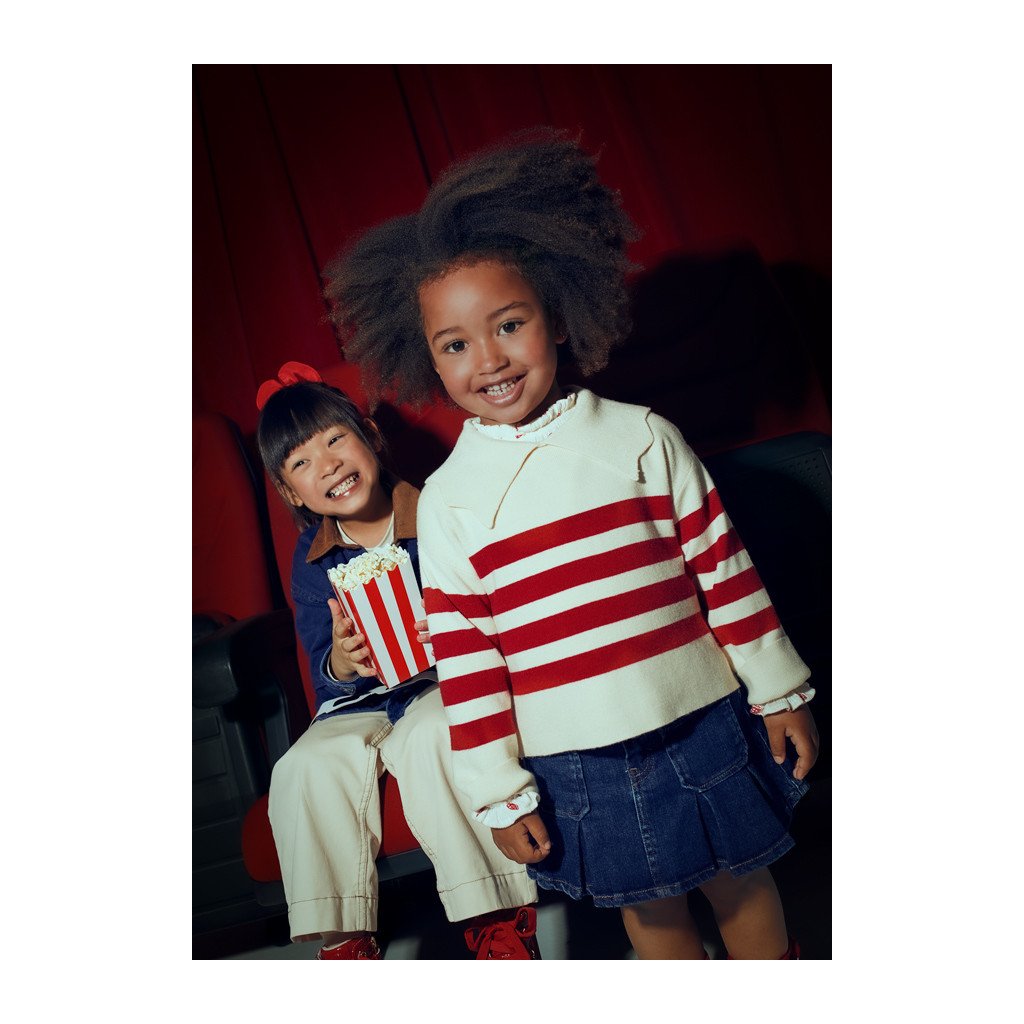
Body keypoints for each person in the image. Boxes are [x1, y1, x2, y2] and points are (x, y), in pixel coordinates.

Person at [322, 130, 821, 960]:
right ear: (428, 360)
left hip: (702, 719)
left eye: (509, 324)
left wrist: (780, 691)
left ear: (556, 315)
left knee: (745, 883)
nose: (489, 358)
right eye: (456, 344)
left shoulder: (642, 437)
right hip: (575, 760)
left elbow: (724, 572)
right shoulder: (447, 502)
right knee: (653, 914)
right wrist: (498, 789)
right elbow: (469, 662)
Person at [255, 362, 540, 960]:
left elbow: (496, 602)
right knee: (302, 767)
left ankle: (496, 918)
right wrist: (341, 660)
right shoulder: (311, 558)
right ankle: (344, 939)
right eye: (301, 462)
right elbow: (322, 671)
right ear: (291, 492)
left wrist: (454, 625)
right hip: (360, 700)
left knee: (434, 733)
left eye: (336, 439)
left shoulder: (434, 511)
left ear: (370, 435)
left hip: (441, 681)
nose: (327, 464)